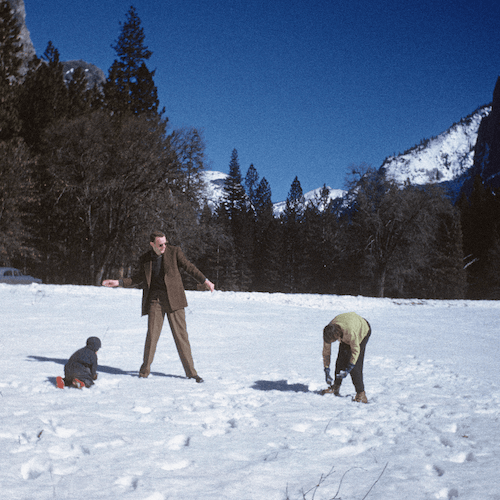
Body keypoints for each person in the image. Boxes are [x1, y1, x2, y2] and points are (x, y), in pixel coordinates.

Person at [102, 230, 215, 382]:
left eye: (165, 243)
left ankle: (192, 373)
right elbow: (138, 278)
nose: (164, 247)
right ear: (152, 244)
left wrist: (205, 280)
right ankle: (144, 372)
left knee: (181, 337)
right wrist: (119, 282)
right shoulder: (146, 259)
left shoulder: (175, 252)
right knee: (152, 336)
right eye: (160, 245)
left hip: (175, 300)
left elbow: (189, 267)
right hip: (156, 300)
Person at [322, 312, 371, 403]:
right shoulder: (329, 331)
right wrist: (326, 368)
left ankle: (361, 394)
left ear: (337, 336)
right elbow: (326, 352)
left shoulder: (350, 333)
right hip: (347, 325)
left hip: (362, 330)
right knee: (340, 360)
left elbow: (355, 352)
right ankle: (336, 387)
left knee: (355, 365)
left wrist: (349, 367)